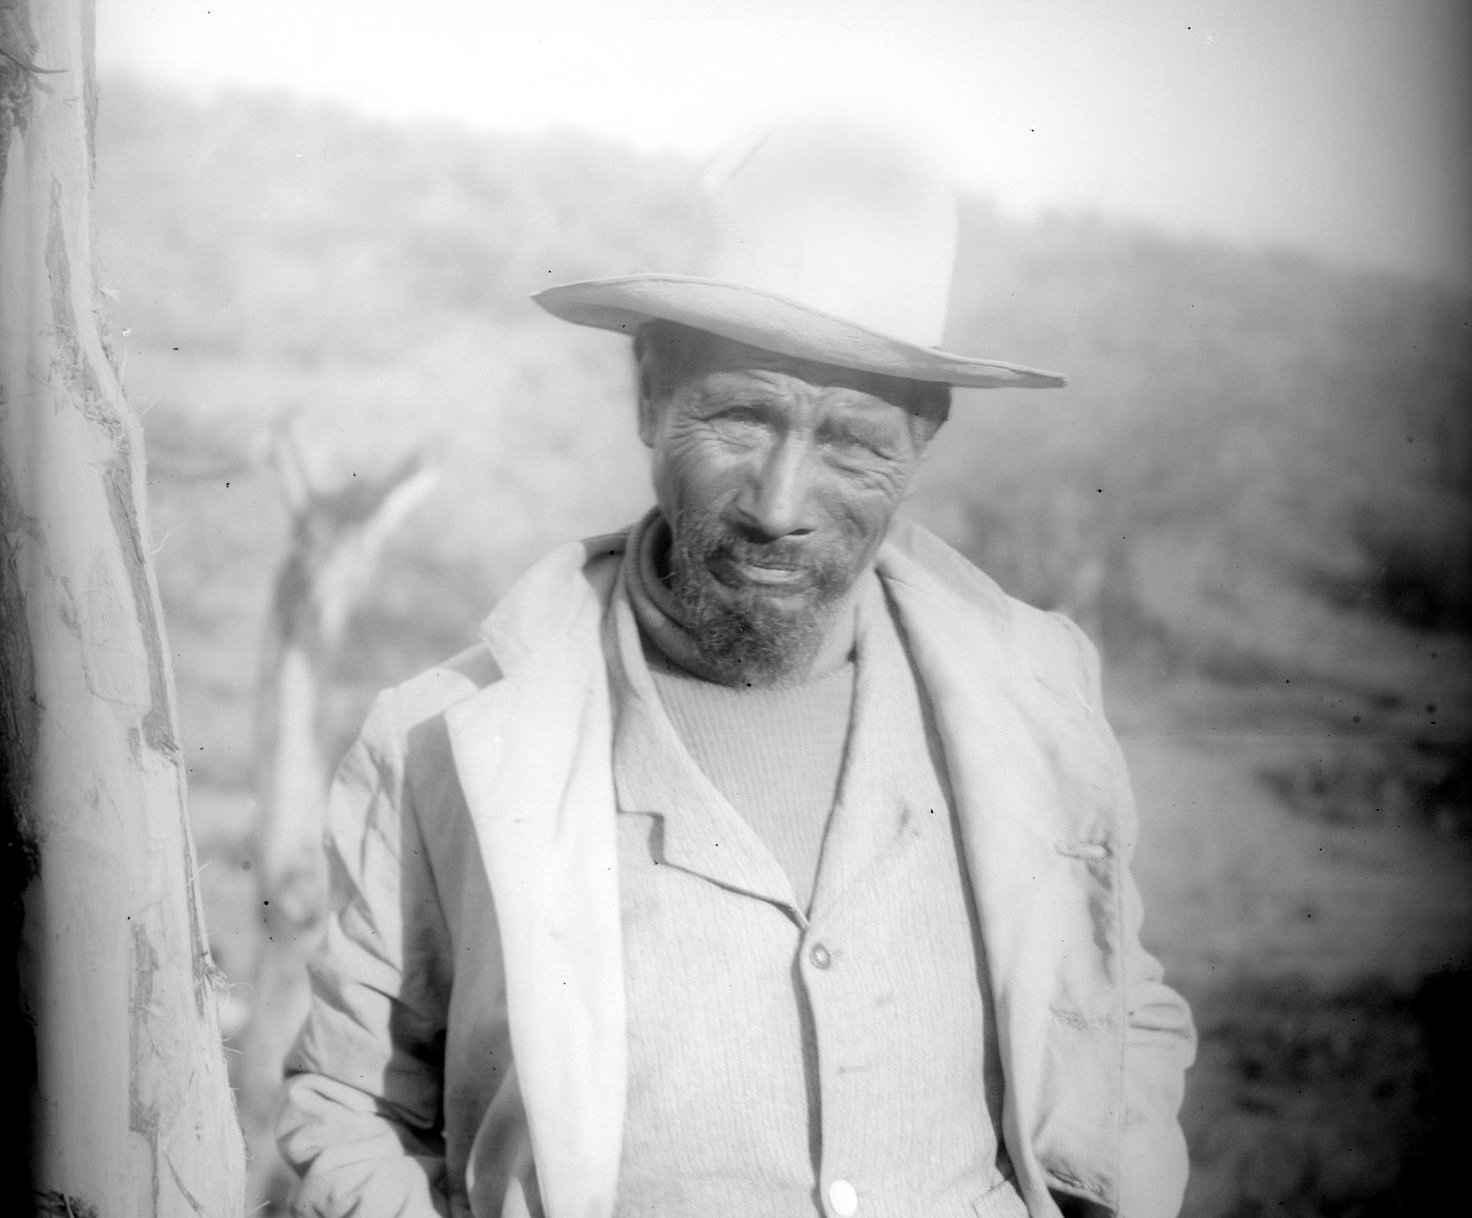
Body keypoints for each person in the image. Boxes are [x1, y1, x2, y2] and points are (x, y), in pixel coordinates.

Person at [277, 120, 1195, 1218]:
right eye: (739, 416)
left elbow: (1113, 1007)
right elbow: (353, 1100)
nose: (777, 504)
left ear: (923, 437)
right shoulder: (442, 745)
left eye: (852, 440)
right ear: (649, 396)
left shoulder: (1033, 697)